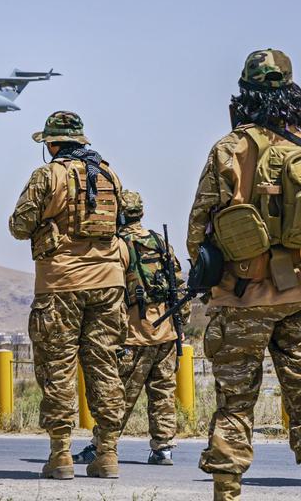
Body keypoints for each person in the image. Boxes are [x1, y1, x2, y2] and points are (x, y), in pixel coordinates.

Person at [187, 50, 301, 501]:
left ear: (245, 89)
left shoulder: (230, 147)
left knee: (235, 401)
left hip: (244, 294)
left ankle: (227, 490)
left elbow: (200, 225)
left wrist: (206, 282)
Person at [8, 111, 128, 479]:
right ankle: (107, 454)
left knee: (57, 368)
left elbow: (19, 226)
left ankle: (61, 455)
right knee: (105, 366)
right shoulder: (109, 174)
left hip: (60, 285)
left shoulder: (46, 176)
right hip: (109, 283)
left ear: (52, 144)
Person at [72, 189, 190, 466]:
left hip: (133, 334)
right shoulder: (159, 242)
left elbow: (108, 292)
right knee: (163, 393)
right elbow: (178, 285)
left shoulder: (117, 245)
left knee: (118, 393)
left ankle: (103, 444)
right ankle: (163, 448)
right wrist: (179, 324)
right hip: (167, 331)